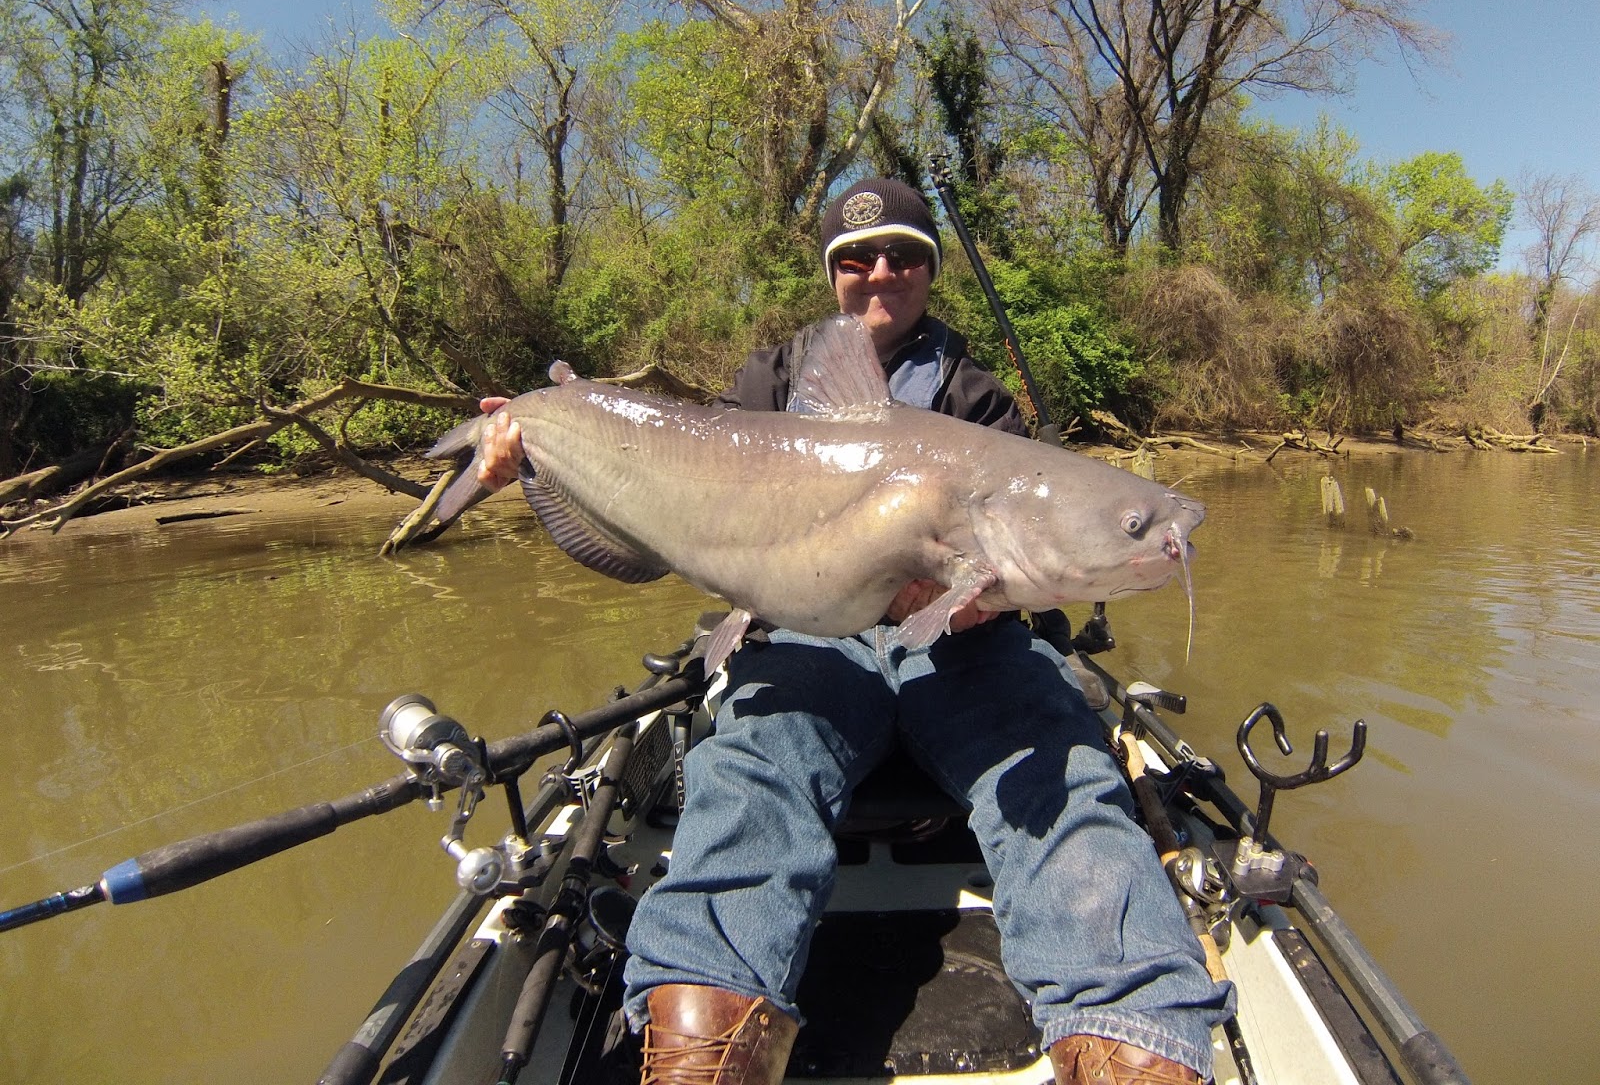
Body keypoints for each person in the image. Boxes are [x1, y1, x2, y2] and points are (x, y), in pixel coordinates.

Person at [475, 178, 1234, 1085]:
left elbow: (1029, 581)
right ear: (833, 273)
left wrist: (985, 595)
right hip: (806, 638)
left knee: (1062, 768)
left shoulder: (979, 397)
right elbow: (667, 495)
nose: (883, 273)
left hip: (965, 643)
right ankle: (703, 1038)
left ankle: (1135, 1038)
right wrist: (540, 441)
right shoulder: (766, 384)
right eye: (858, 258)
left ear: (931, 270)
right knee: (752, 764)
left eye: (907, 255)